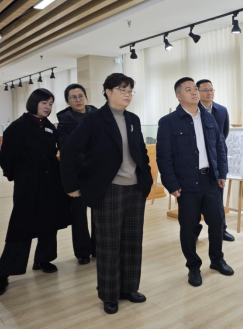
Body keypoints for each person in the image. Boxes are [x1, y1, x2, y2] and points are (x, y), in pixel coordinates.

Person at [60, 73, 153, 314]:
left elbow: (141, 151)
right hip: (108, 189)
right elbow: (70, 152)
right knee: (108, 246)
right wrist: (72, 186)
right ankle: (109, 294)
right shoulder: (93, 120)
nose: (127, 95)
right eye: (122, 90)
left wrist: (147, 179)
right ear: (107, 92)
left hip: (135, 189)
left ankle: (129, 288)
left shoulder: (133, 119)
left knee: (132, 242)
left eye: (130, 91)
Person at [0, 89, 71, 298]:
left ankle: (43, 259)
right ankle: (3, 274)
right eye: (44, 102)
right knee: (21, 226)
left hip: (50, 181)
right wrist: (18, 175)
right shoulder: (18, 126)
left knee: (49, 221)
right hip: (28, 182)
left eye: (50, 104)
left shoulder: (49, 126)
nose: (48, 107)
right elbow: (6, 158)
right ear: (34, 102)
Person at [157, 77, 233, 288]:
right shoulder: (168, 122)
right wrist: (171, 185)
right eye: (188, 89)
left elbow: (220, 147)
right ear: (178, 96)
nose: (194, 92)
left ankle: (217, 260)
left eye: (195, 89)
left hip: (210, 180)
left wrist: (222, 173)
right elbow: (164, 157)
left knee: (217, 222)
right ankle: (193, 266)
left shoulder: (209, 117)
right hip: (186, 183)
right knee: (189, 227)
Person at [57, 83, 98, 265]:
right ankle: (82, 252)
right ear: (68, 101)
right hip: (77, 174)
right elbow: (67, 153)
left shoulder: (97, 115)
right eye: (73, 97)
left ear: (86, 97)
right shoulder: (64, 122)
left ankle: (98, 248)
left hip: (97, 174)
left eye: (80, 95)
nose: (78, 100)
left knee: (99, 214)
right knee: (79, 217)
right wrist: (71, 184)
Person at [196, 79, 234, 242]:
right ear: (197, 92)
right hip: (197, 161)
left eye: (211, 90)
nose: (209, 93)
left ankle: (221, 230)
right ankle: (194, 231)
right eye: (205, 90)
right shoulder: (193, 110)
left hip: (216, 161)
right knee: (196, 201)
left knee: (218, 199)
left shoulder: (222, 110)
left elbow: (223, 134)